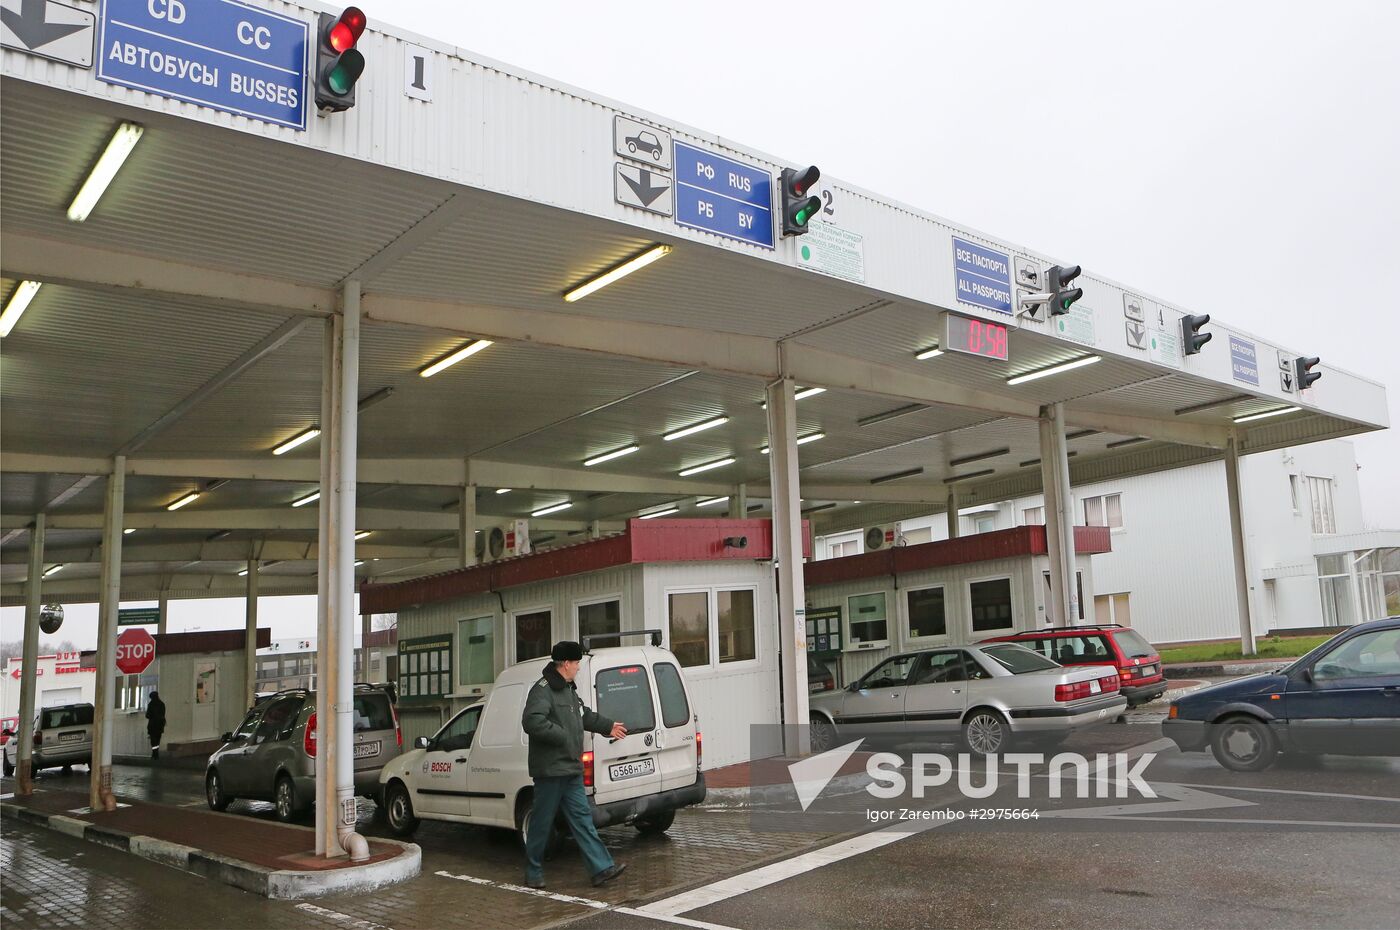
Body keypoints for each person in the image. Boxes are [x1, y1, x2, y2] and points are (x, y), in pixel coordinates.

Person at [520, 641, 628, 890]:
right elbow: (532, 721)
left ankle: (601, 868)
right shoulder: (542, 690)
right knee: (541, 823)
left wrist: (608, 726)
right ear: (566, 663)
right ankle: (533, 871)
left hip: (570, 769)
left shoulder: (568, 690)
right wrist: (562, 736)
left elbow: (584, 715)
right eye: (577, 663)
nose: (579, 667)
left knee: (583, 820)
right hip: (550, 771)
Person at [146, 692, 166, 760]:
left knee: (153, 740)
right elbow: (163, 714)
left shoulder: (151, 704)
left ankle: (154, 754)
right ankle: (156, 753)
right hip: (160, 725)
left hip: (152, 725)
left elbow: (147, 715)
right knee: (158, 739)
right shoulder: (162, 704)